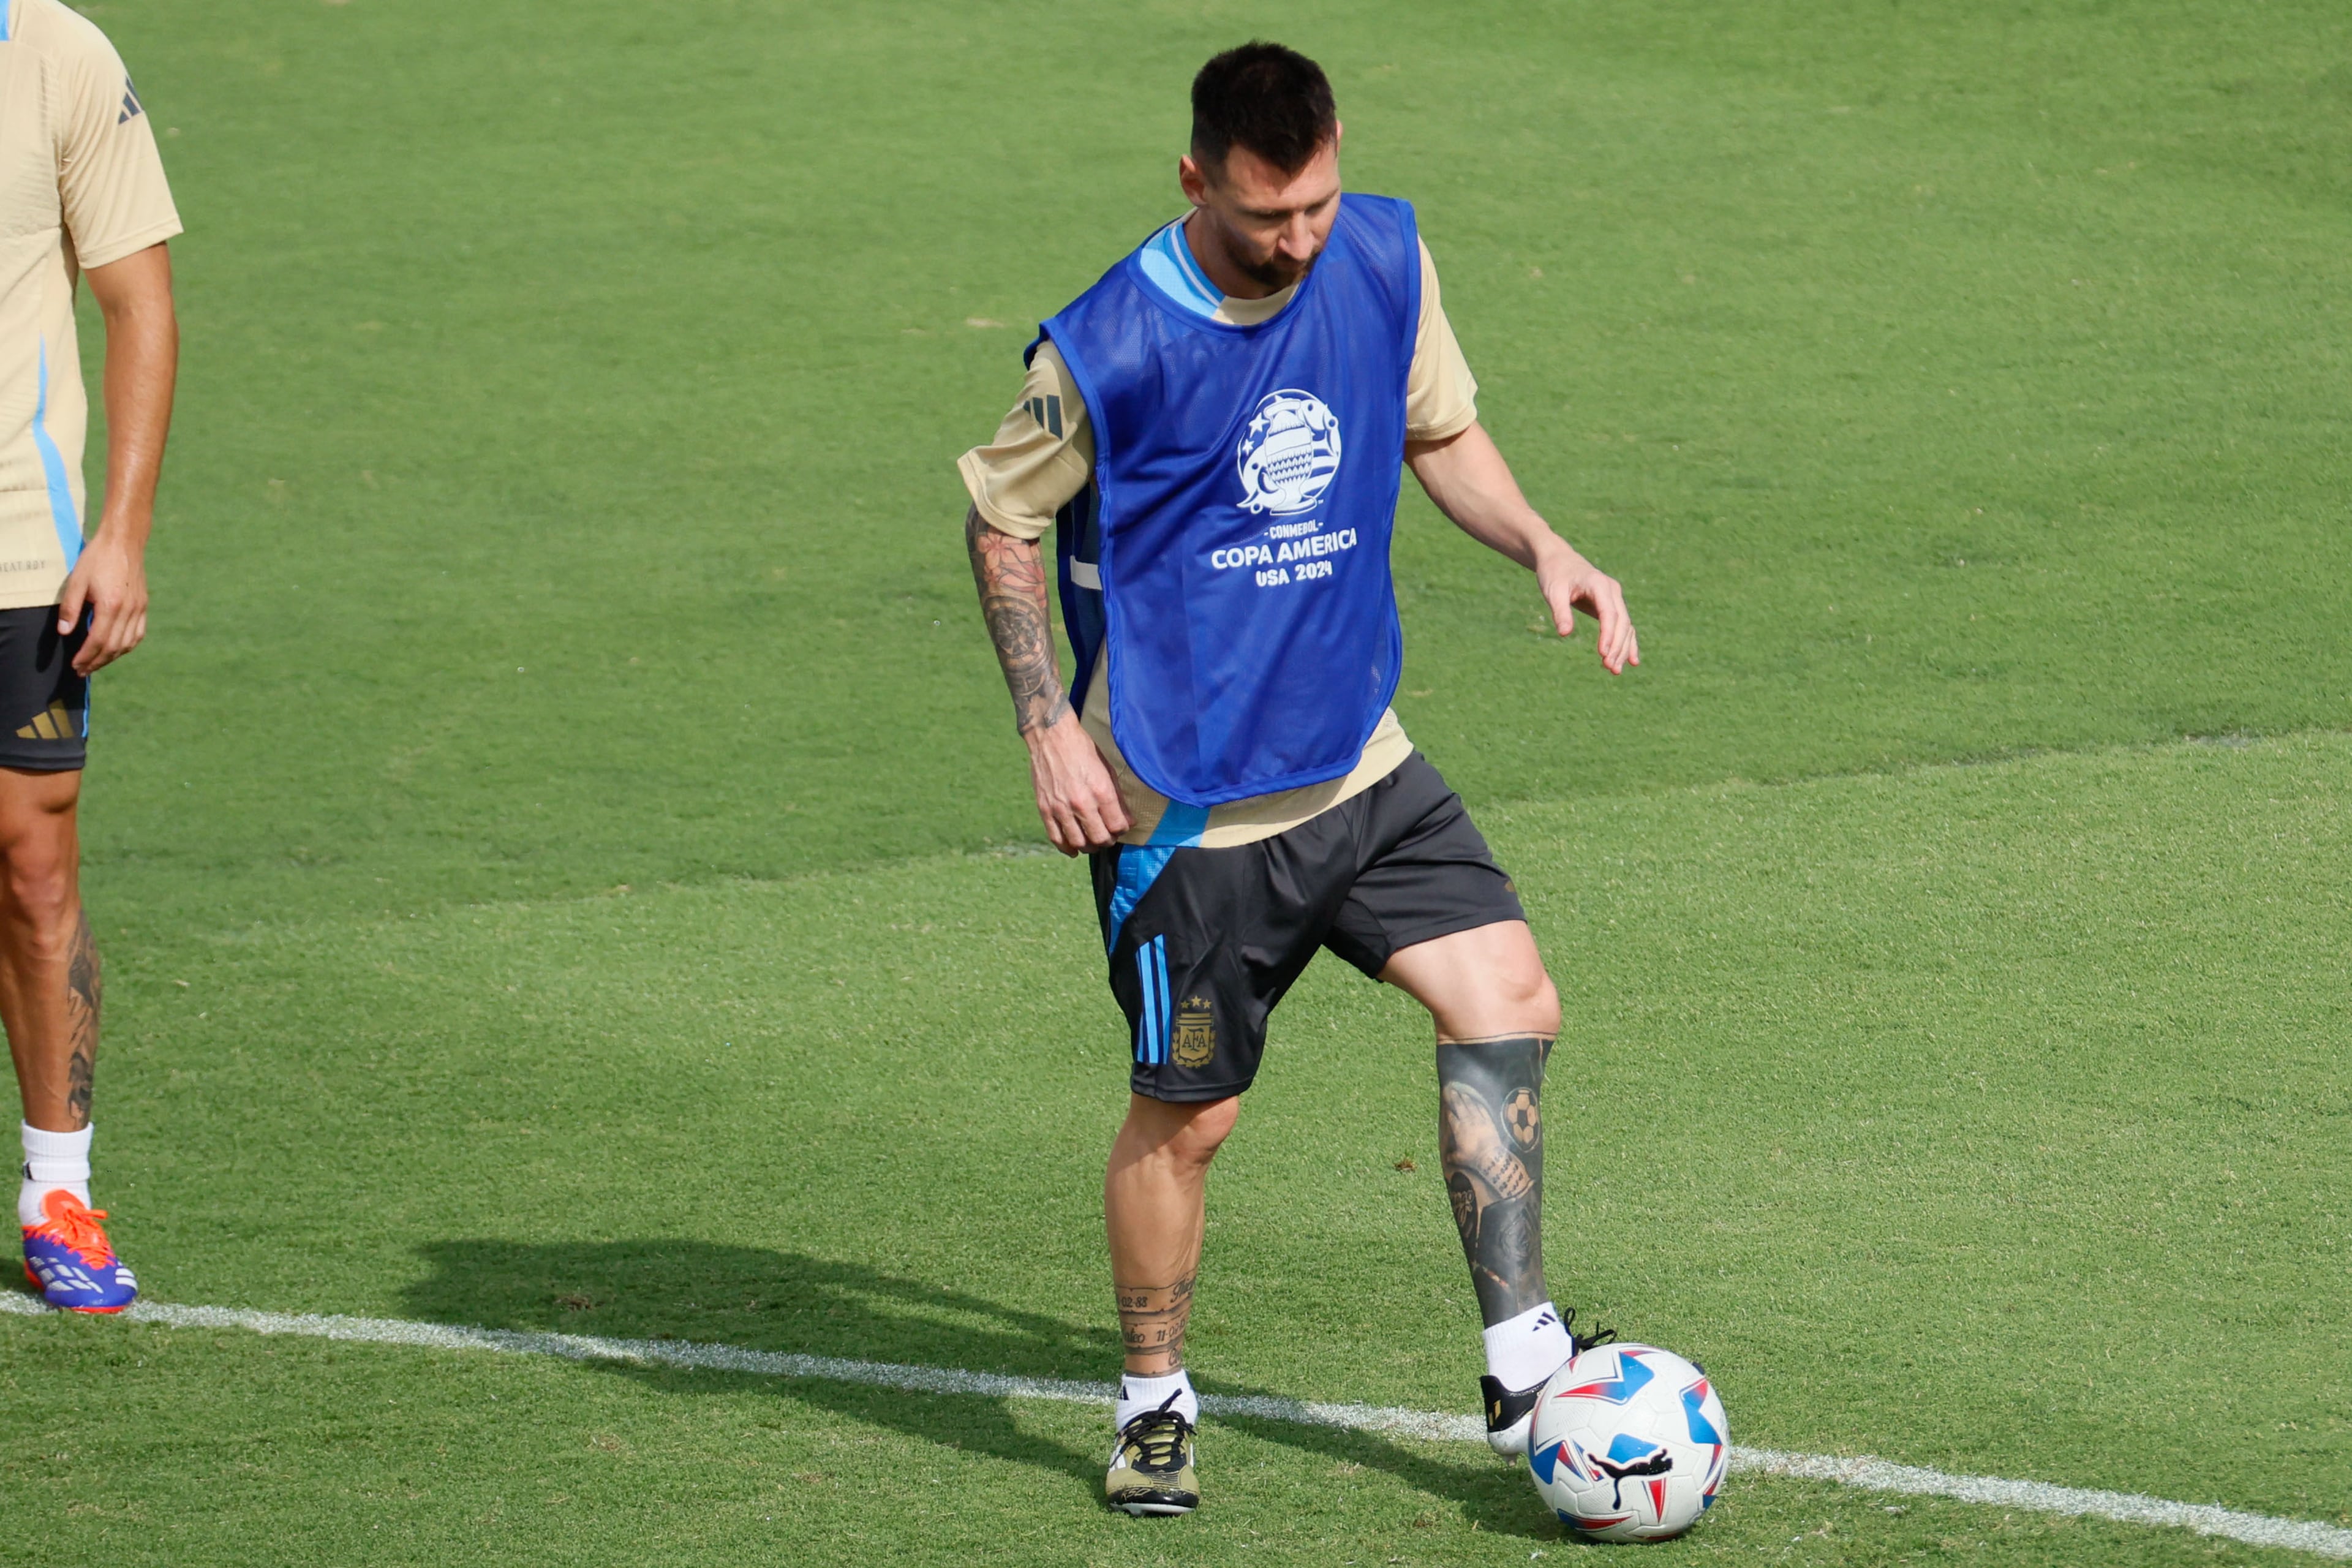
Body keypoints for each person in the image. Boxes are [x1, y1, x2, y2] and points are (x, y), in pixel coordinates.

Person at [958, 41, 1637, 1515]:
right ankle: (1153, 1404)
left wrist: (1546, 544)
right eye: (1269, 216)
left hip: (1355, 755)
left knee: (1509, 995)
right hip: (1190, 802)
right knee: (1189, 1118)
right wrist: (1045, 724)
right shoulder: (1105, 346)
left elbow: (1436, 428)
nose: (1302, 238)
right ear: (1197, 179)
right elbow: (1003, 524)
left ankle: (1524, 1358)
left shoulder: (1382, 255)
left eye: (1318, 200)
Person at [2, 0, 183, 1311]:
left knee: (31, 862)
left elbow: (140, 302)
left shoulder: (59, 53)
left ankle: (58, 1187)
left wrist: (120, 532)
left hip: (19, 546)